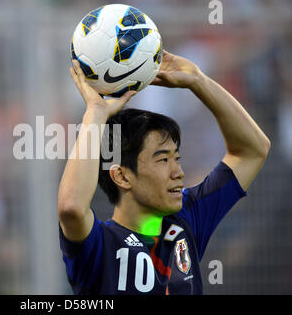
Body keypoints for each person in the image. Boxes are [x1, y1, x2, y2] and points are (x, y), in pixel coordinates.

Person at [58, 50, 271, 294]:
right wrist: (95, 113)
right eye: (163, 160)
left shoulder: (187, 220)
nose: (178, 172)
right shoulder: (98, 246)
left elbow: (253, 150)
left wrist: (198, 81)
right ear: (122, 176)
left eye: (177, 158)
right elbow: (71, 207)